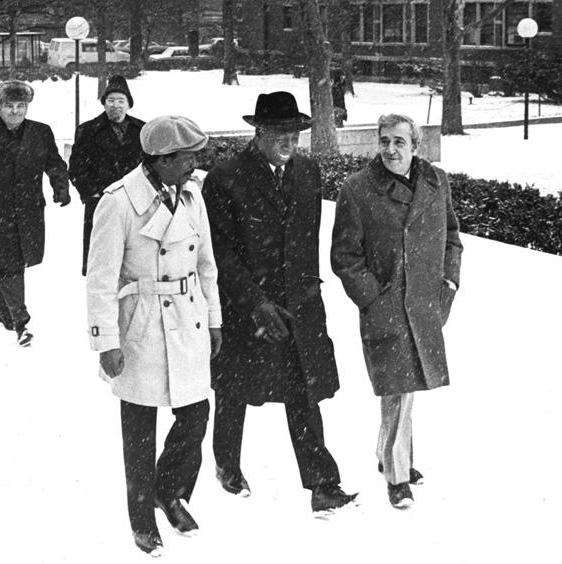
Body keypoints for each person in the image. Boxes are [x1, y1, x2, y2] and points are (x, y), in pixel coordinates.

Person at [201, 91, 357, 514]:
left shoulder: (308, 171)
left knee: (303, 392)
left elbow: (307, 239)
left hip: (300, 304)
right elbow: (220, 252)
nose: (290, 141)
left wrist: (307, 296)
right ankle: (227, 465)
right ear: (259, 131)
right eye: (279, 133)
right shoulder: (225, 175)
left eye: (295, 132)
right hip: (245, 307)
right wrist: (255, 302)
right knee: (234, 389)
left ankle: (323, 484)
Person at [86, 115, 221, 556]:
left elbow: (206, 264)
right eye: (187, 157)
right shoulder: (119, 201)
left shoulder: (192, 195)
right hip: (141, 323)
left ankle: (171, 489)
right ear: (161, 160)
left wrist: (215, 319)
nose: (195, 165)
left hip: (188, 318)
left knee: (196, 415)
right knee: (139, 432)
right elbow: (100, 280)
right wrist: (106, 341)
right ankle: (142, 518)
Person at [330, 113, 463, 510]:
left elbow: (452, 237)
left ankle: (390, 454)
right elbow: (345, 256)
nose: (390, 149)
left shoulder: (437, 183)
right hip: (386, 306)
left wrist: (449, 284)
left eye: (399, 142)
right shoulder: (357, 189)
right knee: (398, 388)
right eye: (384, 141)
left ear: (415, 147)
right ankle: (397, 476)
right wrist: (372, 296)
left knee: (407, 386)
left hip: (425, 303)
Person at [0, 79, 70, 347]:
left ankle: (2, 311)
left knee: (16, 262)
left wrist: (61, 188)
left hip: (30, 211)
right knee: (9, 264)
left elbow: (54, 164)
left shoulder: (41, 132)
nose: (15, 112)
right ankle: (21, 322)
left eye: (21, 106)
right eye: (9, 106)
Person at [69, 75, 145, 275]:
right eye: (110, 101)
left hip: (135, 201)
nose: (115, 106)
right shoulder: (88, 130)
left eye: (121, 101)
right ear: (103, 104)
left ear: (129, 104)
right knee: (101, 258)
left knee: (135, 256)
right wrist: (91, 192)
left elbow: (150, 165)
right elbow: (76, 167)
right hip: (101, 202)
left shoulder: (143, 130)